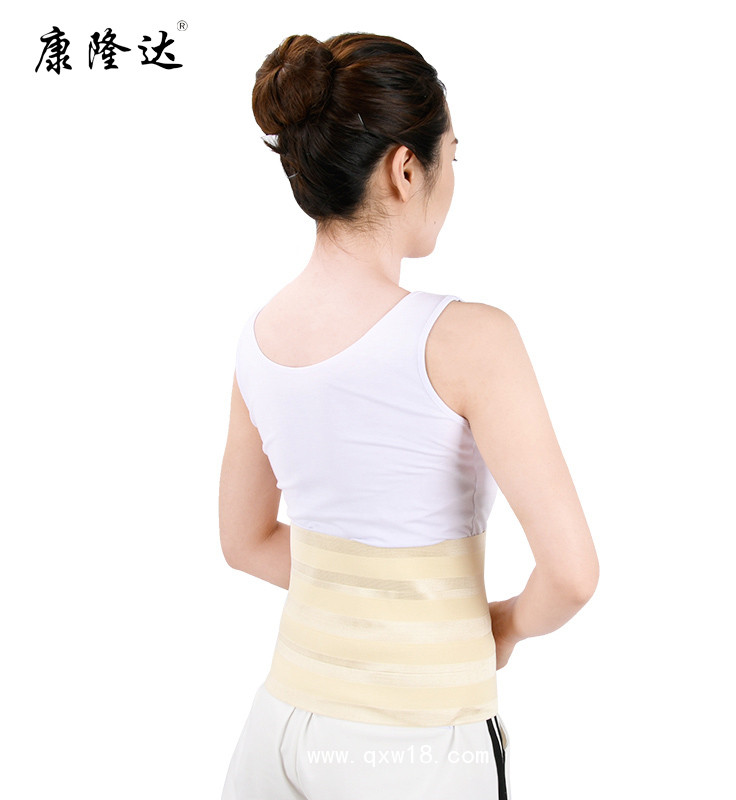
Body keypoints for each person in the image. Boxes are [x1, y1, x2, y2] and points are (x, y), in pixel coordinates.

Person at [218, 32, 599, 800]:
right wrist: (504, 625)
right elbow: (572, 574)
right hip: (418, 744)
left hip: (278, 728)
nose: (452, 176)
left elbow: (244, 541)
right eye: (451, 155)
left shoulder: (260, 338)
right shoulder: (470, 339)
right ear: (405, 168)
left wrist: (356, 596)